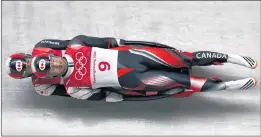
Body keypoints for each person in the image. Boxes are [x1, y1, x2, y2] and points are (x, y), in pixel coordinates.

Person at [27, 35, 257, 102]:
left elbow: (112, 42)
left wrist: (138, 43)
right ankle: (229, 85)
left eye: (51, 61)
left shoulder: (77, 44)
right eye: (50, 69)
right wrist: (132, 96)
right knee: (184, 84)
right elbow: (108, 97)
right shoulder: (73, 89)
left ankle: (233, 58)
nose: (55, 65)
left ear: (52, 55)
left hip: (136, 56)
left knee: (184, 58)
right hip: (134, 80)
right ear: (50, 76)